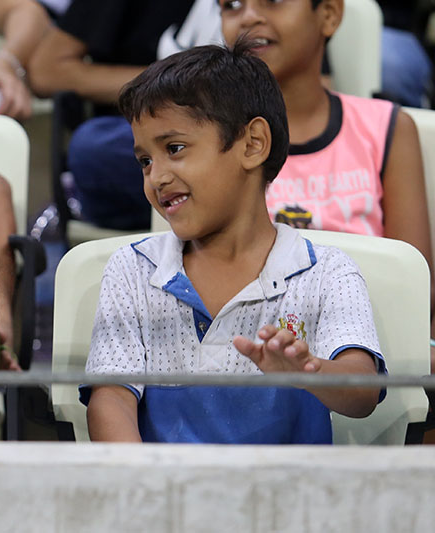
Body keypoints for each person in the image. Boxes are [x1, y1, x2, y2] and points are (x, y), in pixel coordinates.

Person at [82, 40, 385, 444]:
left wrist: (307, 369)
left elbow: (362, 390)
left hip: (293, 503)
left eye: (174, 148)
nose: (156, 177)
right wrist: (145, 489)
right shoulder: (132, 270)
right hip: (166, 499)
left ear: (252, 144)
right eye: (145, 161)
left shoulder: (327, 271)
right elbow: (111, 400)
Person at [218, 0, 435, 374]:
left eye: (272, 0)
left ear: (330, 14)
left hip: (371, 359)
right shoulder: (212, 140)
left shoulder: (386, 128)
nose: (249, 15)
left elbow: (416, 285)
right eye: (231, 4)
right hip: (244, 361)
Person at [28, 0, 222, 230]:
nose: (248, 15)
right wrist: (178, 87)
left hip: (247, 121)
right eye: (231, 6)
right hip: (136, 140)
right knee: (93, 149)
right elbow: (46, 71)